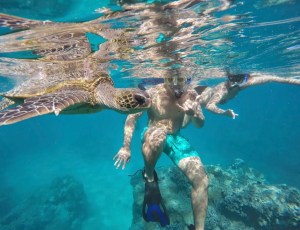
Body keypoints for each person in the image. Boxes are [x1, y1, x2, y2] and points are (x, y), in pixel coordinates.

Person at [114, 74, 208, 230]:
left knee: (202, 181)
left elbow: (200, 124)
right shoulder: (153, 93)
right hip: (153, 132)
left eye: (181, 80)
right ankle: (150, 178)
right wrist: (126, 146)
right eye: (172, 80)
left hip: (176, 138)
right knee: (160, 136)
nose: (177, 86)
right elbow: (132, 118)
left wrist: (195, 115)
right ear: (166, 78)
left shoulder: (192, 96)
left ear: (186, 79)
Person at [196, 72, 300, 119]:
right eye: (231, 79)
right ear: (228, 78)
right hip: (198, 100)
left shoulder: (241, 85)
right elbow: (209, 106)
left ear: (244, 79)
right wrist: (224, 113)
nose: (234, 83)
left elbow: (273, 78)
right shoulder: (222, 90)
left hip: (213, 95)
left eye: (238, 80)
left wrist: (297, 81)